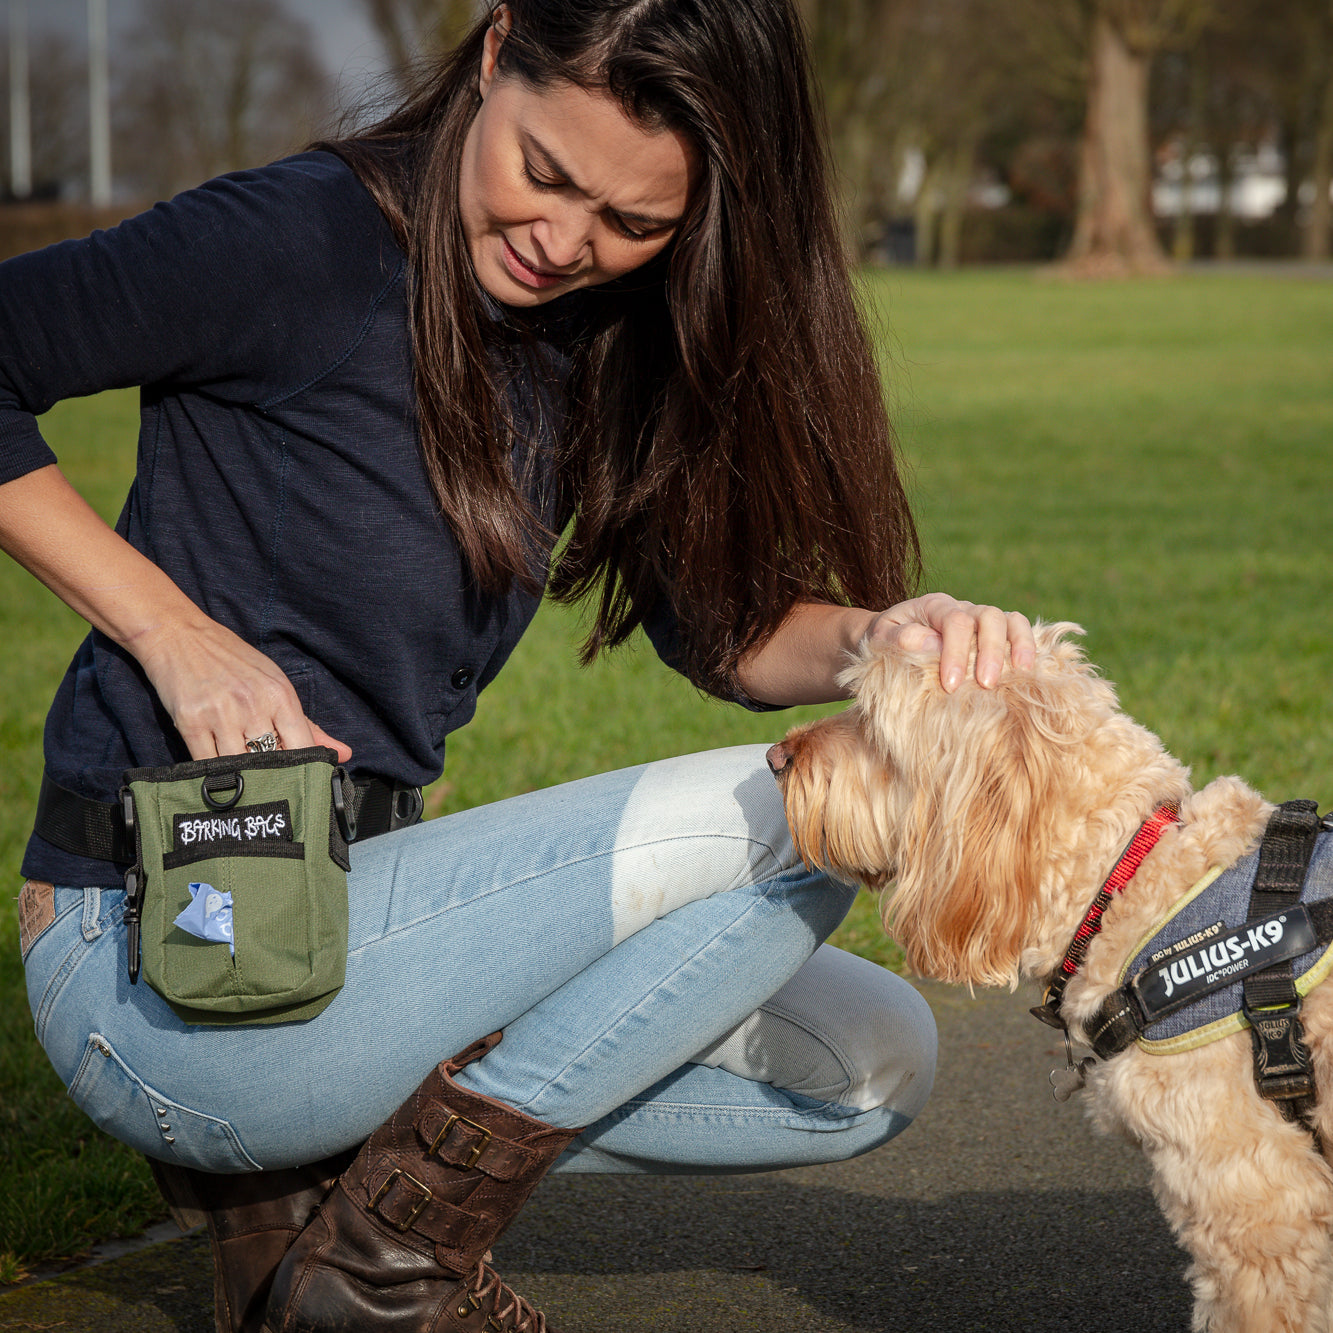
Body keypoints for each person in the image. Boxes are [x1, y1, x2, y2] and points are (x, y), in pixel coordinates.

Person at [3, 1, 1035, 1330]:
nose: (564, 241)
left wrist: (876, 636)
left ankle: (319, 1195)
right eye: (544, 173)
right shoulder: (299, 240)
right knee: (809, 814)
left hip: (352, 929)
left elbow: (716, 628)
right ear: (493, 55)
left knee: (867, 1065)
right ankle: (384, 1271)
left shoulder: (603, 332)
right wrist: (170, 629)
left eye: (633, 221)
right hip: (158, 961)